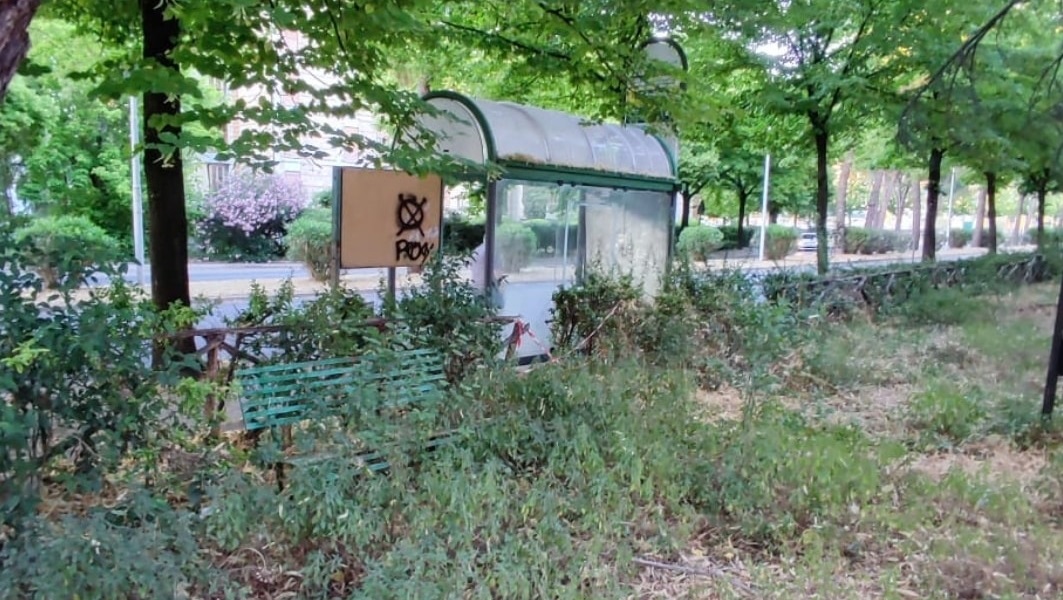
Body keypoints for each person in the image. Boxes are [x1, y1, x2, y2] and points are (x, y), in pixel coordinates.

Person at [469, 239, 503, 309]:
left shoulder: (476, 250)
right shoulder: (492, 251)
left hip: (476, 286)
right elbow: (498, 273)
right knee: (500, 307)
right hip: (488, 287)